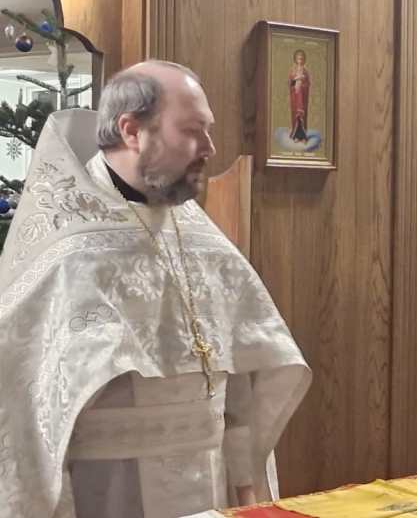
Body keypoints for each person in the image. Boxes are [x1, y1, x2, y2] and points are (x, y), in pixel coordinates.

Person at [0, 61, 311, 517]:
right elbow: (23, 414)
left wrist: (246, 488)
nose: (210, 147)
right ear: (132, 131)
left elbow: (241, 382)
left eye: (208, 130)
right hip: (108, 492)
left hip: (210, 485)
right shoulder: (66, 252)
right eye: (192, 131)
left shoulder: (200, 238)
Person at [289, 49, 311, 142]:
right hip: (295, 97)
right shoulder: (293, 71)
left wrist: (302, 83)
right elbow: (290, 84)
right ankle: (296, 136)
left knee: (302, 115)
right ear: (295, 59)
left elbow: (308, 84)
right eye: (298, 59)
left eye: (301, 59)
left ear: (304, 60)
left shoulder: (305, 71)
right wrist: (296, 79)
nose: (300, 61)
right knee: (296, 115)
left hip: (303, 97)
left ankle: (303, 136)